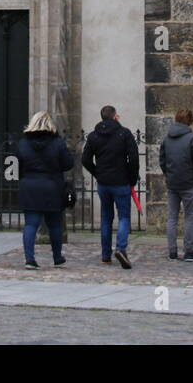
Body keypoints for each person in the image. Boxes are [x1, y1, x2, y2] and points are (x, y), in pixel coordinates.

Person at [81, 104, 139, 269]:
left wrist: (97, 173)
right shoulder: (124, 134)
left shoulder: (93, 136)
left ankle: (106, 255)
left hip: (104, 183)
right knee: (124, 217)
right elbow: (134, 159)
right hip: (121, 182)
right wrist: (132, 179)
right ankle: (121, 248)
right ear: (115, 116)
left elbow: (85, 160)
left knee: (106, 218)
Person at [17, 110, 73, 269]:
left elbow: (13, 165)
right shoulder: (57, 142)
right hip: (52, 186)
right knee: (55, 225)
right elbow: (68, 163)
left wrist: (24, 177)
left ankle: (29, 259)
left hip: (30, 186)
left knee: (30, 225)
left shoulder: (23, 143)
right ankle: (57, 257)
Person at [159, 108, 193, 261]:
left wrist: (169, 175)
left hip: (173, 183)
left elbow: (162, 161)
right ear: (189, 120)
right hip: (189, 183)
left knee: (172, 217)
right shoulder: (192, 138)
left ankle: (172, 251)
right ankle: (188, 251)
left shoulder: (167, 138)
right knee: (189, 217)